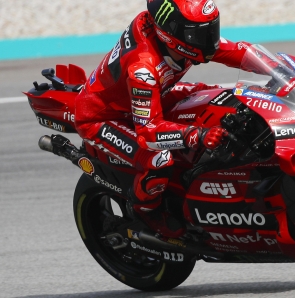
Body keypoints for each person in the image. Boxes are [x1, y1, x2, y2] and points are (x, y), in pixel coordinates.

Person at [74, 0, 254, 238]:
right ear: (171, 33)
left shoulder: (182, 38)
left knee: (214, 96)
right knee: (159, 158)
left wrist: (285, 69)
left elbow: (240, 52)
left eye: (211, 28)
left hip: (150, 95)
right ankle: (147, 211)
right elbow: (148, 133)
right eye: (199, 32)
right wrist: (197, 135)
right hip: (104, 117)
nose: (209, 38)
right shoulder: (144, 70)